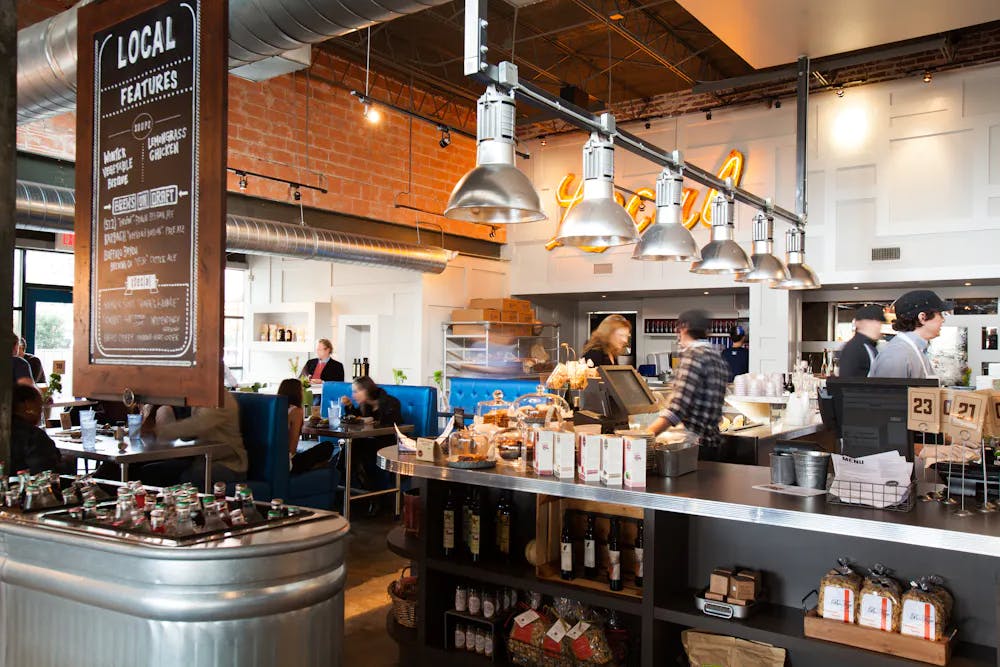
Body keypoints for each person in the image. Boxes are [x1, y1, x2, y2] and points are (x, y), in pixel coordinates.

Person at [647, 310, 730, 461]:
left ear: (684, 327)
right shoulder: (718, 358)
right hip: (712, 442)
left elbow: (677, 410)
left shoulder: (693, 356)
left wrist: (645, 436)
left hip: (693, 447)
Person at [150, 391, 248, 488]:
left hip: (230, 465)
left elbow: (198, 425)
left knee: (190, 478)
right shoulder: (201, 397)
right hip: (203, 460)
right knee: (154, 472)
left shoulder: (221, 398)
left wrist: (158, 431)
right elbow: (189, 435)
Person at [869, 290, 952, 380]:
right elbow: (888, 393)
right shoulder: (897, 355)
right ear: (922, 317)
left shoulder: (915, 350)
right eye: (940, 314)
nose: (943, 320)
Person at [339, 375, 402, 490]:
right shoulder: (365, 405)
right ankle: (346, 482)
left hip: (387, 443)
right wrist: (349, 406)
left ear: (366, 390)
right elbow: (357, 419)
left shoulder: (391, 402)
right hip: (368, 442)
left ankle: (341, 477)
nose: (353, 395)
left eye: (356, 391)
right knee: (352, 443)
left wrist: (374, 422)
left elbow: (393, 423)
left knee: (353, 444)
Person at [10, 384, 62, 473]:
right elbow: (45, 473)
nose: (40, 411)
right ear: (28, 405)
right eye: (39, 405)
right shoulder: (34, 436)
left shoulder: (6, 430)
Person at [837, 304, 886, 378]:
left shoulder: (869, 347)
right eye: (871, 321)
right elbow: (847, 383)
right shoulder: (854, 348)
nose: (877, 326)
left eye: (879, 322)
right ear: (858, 323)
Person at [301, 339, 345, 405]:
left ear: (328, 350)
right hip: (308, 395)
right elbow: (301, 377)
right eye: (317, 350)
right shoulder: (310, 362)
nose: (317, 352)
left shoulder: (337, 366)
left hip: (324, 396)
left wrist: (322, 382)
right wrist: (306, 379)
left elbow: (339, 384)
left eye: (319, 350)